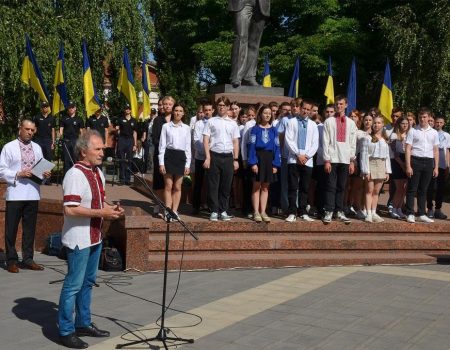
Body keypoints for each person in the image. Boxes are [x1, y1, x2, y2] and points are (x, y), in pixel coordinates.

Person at [58, 130, 124, 349]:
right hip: (79, 239)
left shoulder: (97, 172)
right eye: (98, 149)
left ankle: (83, 323)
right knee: (73, 285)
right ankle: (66, 330)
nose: (102, 153)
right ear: (83, 150)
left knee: (87, 283)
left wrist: (111, 208)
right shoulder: (75, 174)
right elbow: (70, 210)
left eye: (103, 149)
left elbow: (99, 202)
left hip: (94, 237)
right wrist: (102, 214)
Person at [0, 119, 51, 273]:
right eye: (27, 129)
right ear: (20, 128)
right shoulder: (9, 147)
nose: (30, 132)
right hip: (16, 192)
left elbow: (41, 169)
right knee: (11, 229)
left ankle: (28, 259)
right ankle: (11, 260)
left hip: (33, 192)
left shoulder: (37, 147)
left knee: (30, 228)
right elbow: (1, 170)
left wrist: (46, 174)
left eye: (32, 130)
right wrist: (18, 173)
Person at [203, 97, 240, 221]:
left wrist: (236, 159)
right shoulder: (211, 121)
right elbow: (206, 140)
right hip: (214, 155)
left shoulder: (233, 123)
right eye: (219, 105)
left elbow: (235, 142)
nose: (221, 107)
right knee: (213, 185)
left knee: (226, 185)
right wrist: (208, 157)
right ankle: (214, 210)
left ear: (228, 107)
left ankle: (223, 210)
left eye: (224, 105)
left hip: (228, 157)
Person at [322, 95, 357, 224]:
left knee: (342, 186)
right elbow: (325, 141)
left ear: (346, 105)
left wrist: (352, 160)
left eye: (341, 104)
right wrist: (327, 159)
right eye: (337, 104)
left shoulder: (351, 123)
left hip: (345, 159)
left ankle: (339, 210)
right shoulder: (329, 121)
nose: (339, 106)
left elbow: (353, 143)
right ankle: (329, 211)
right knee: (331, 185)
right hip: (332, 158)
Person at [284, 100, 319, 222]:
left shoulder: (313, 125)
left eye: (308, 109)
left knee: (305, 187)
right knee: (293, 187)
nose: (305, 111)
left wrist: (307, 156)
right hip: (294, 159)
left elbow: (315, 143)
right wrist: (298, 154)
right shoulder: (291, 122)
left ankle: (303, 211)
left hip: (307, 161)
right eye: (304, 108)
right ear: (300, 108)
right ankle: (292, 211)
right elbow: (288, 140)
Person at [404, 108, 439, 223]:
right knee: (412, 189)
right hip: (415, 160)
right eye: (420, 117)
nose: (422, 119)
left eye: (424, 117)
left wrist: (436, 167)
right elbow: (408, 148)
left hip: (428, 162)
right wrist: (408, 166)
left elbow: (436, 150)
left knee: (423, 189)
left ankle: (422, 213)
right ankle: (410, 213)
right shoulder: (413, 131)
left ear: (429, 117)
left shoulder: (434, 132)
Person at [247, 105, 280, 222]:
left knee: (265, 187)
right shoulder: (255, 129)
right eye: (265, 113)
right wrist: (253, 162)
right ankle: (256, 211)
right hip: (258, 158)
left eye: (269, 113)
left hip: (269, 159)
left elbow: (277, 147)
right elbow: (251, 147)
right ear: (260, 114)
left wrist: (276, 164)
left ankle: (263, 211)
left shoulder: (274, 130)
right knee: (256, 186)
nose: (267, 115)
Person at [158, 104, 191, 219]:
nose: (178, 113)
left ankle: (174, 211)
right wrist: (161, 162)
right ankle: (167, 211)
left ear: (183, 113)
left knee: (177, 186)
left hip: (181, 157)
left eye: (180, 111)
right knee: (168, 185)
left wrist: (188, 164)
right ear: (173, 112)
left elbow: (188, 147)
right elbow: (162, 145)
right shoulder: (166, 126)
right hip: (169, 156)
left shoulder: (187, 128)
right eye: (176, 110)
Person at [229, 0, 270, 87]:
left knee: (255, 43)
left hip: (261, 5)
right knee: (241, 37)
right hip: (243, 2)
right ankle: (237, 76)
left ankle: (249, 76)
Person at [360, 114, 392, 223]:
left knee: (376, 191)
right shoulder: (367, 138)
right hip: (371, 163)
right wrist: (366, 170)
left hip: (381, 165)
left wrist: (387, 171)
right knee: (369, 190)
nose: (376, 125)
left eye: (379, 123)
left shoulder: (384, 139)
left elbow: (387, 156)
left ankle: (374, 212)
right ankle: (368, 213)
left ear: (383, 125)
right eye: (375, 123)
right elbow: (364, 155)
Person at [152, 96, 175, 217]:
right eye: (165, 104)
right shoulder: (157, 120)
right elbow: (155, 138)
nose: (167, 106)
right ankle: (159, 204)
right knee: (159, 181)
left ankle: (169, 207)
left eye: (169, 104)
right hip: (160, 154)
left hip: (173, 156)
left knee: (171, 182)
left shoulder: (176, 119)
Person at [192, 102, 214, 215]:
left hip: (213, 157)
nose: (207, 112)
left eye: (210, 110)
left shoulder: (215, 122)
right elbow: (196, 141)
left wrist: (211, 154)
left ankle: (211, 206)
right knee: (199, 182)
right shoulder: (199, 124)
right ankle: (196, 206)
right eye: (206, 110)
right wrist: (206, 153)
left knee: (212, 183)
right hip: (201, 157)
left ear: (213, 110)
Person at [426, 115, 449, 219]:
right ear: (434, 123)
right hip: (431, 164)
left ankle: (438, 210)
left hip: (442, 165)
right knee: (430, 187)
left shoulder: (447, 135)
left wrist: (448, 165)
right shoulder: (431, 133)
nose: (439, 124)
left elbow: (447, 151)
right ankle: (430, 209)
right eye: (437, 122)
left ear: (444, 123)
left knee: (440, 188)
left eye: (441, 122)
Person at [389, 116, 410, 219]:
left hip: (407, 161)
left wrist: (407, 164)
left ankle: (399, 209)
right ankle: (393, 208)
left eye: (406, 123)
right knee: (399, 188)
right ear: (399, 124)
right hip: (397, 162)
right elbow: (394, 152)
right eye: (403, 123)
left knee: (404, 188)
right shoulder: (394, 135)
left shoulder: (410, 135)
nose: (405, 125)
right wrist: (402, 164)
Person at [60, 101, 85, 175]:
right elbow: (61, 130)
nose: (71, 109)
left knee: (75, 159)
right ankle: (66, 176)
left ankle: (76, 176)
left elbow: (82, 132)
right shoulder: (64, 118)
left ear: (75, 108)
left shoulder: (79, 119)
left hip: (75, 141)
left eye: (72, 107)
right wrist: (60, 138)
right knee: (66, 159)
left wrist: (81, 142)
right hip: (66, 141)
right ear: (68, 109)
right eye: (69, 107)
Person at [116, 104, 137, 185]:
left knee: (129, 160)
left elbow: (135, 132)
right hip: (122, 139)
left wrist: (135, 144)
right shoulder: (120, 119)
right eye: (126, 109)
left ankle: (127, 179)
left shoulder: (134, 120)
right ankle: (122, 179)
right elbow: (117, 130)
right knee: (121, 159)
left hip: (130, 140)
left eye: (128, 109)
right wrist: (117, 131)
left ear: (130, 110)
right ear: (124, 110)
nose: (127, 110)